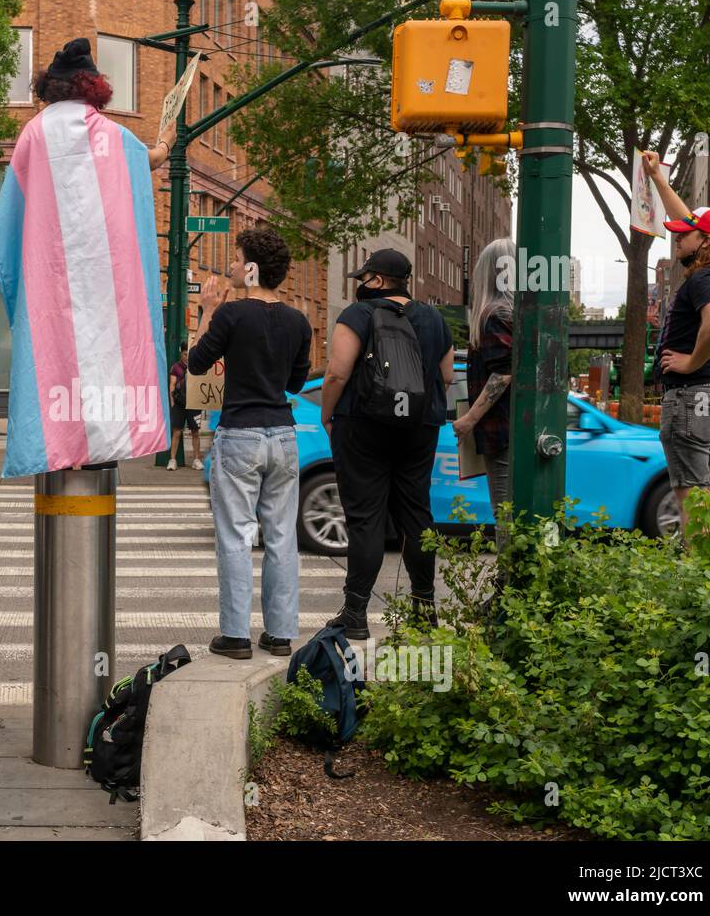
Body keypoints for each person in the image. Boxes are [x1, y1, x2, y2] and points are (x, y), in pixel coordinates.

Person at [0, 37, 173, 478]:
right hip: (107, 287)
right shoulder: (112, 135)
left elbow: (5, 226)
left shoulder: (33, 131)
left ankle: (55, 444)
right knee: (108, 358)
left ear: (50, 87)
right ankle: (104, 439)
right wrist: (166, 139)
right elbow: (150, 159)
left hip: (50, 284)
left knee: (53, 358)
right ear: (94, 88)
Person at [189, 227, 312, 659]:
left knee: (236, 536)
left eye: (239, 260)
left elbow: (198, 363)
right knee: (281, 538)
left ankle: (236, 636)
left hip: (240, 433)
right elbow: (296, 382)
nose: (234, 267)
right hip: (282, 434)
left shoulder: (231, 314)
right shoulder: (298, 321)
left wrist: (207, 310)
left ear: (254, 269)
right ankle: (279, 635)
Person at [320, 249, 454, 639]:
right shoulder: (434, 319)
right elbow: (446, 377)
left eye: (365, 278)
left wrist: (328, 415)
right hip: (419, 425)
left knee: (365, 518)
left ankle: (356, 612)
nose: (361, 284)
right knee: (416, 514)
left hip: (363, 424)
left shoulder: (356, 315)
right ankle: (424, 608)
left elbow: (336, 373)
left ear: (377, 281)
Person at [641, 150, 710, 528]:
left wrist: (689, 362)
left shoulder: (702, 278)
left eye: (685, 235)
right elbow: (689, 219)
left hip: (690, 398)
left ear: (704, 241)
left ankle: (696, 578)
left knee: (691, 507)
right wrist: (659, 180)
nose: (677, 238)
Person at [454, 238, 516, 519]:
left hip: (501, 431)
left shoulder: (493, 314)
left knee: (504, 515)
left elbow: (503, 372)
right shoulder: (517, 313)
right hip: (517, 427)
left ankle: (509, 565)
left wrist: (470, 419)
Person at [167, 342, 204, 471]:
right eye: (184, 354)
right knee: (177, 431)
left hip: (194, 402)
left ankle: (196, 459)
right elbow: (172, 384)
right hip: (180, 403)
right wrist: (172, 402)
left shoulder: (197, 366)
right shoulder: (176, 367)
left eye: (188, 354)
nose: (187, 357)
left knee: (195, 431)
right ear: (181, 353)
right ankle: (172, 460)